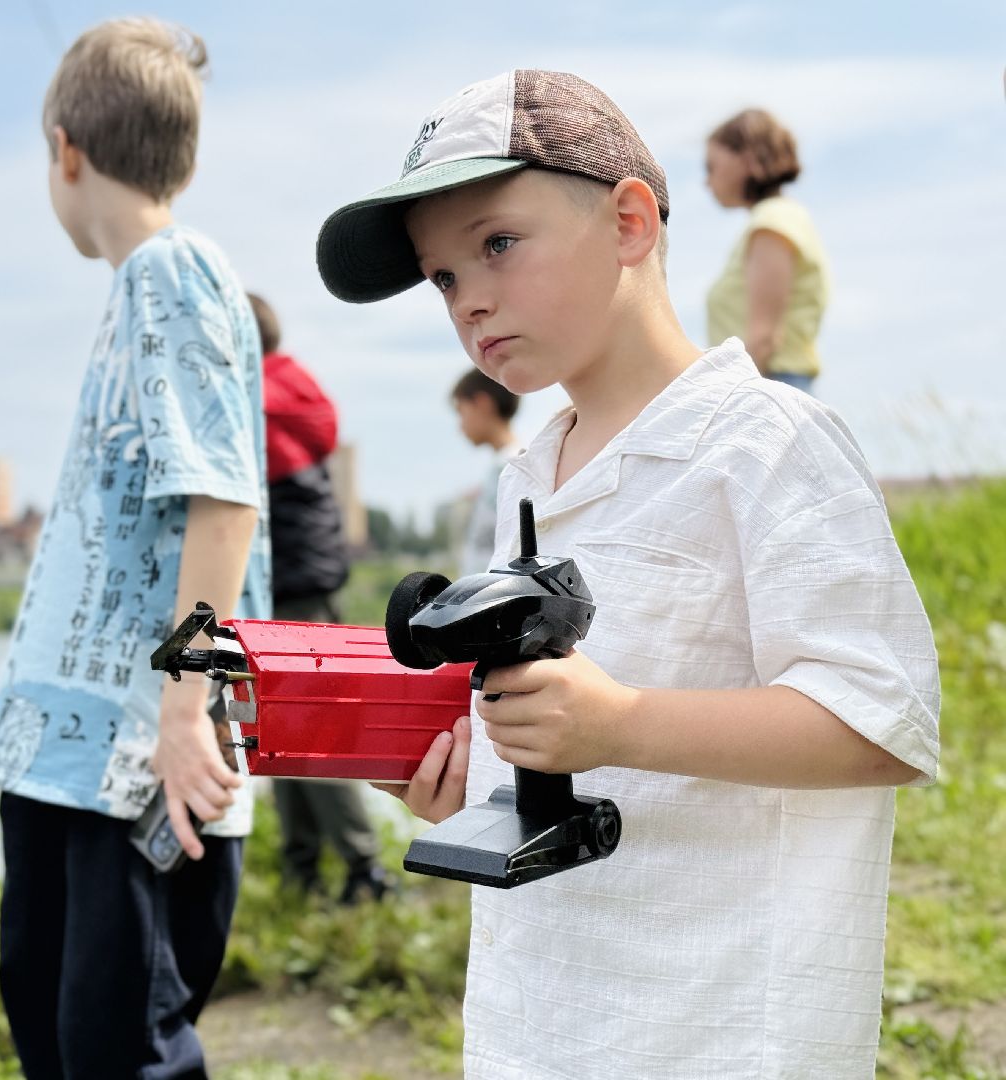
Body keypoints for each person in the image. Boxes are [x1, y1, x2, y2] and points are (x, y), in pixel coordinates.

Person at [315, 69, 938, 1079]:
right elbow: (563, 744)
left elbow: (881, 721)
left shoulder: (767, 442)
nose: (468, 297)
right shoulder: (528, 473)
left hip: (718, 1031)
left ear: (631, 222)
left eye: (497, 244)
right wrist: (466, 779)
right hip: (542, 1022)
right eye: (441, 278)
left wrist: (623, 723)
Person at [0, 19, 270, 1078]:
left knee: (119, 1050)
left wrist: (186, 712)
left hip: (137, 757)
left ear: (66, 150)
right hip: (69, 761)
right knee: (51, 1025)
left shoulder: (174, 274)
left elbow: (224, 501)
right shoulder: (137, 290)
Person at [248, 292, 393, 904]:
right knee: (280, 732)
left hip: (290, 592)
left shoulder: (253, 397)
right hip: (303, 586)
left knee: (306, 733)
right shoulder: (291, 387)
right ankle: (304, 868)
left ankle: (362, 871)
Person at [705, 108, 831, 393]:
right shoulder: (779, 219)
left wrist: (727, 400)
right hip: (773, 385)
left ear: (748, 160)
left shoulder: (773, 222)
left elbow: (763, 338)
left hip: (769, 385)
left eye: (712, 168)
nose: (707, 182)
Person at [451, 369, 521, 574]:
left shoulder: (511, 467)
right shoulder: (503, 466)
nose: (460, 425)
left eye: (460, 412)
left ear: (482, 403)